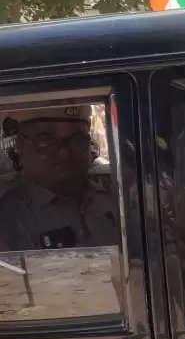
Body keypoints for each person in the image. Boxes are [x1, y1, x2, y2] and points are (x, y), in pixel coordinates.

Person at [0, 106, 116, 251]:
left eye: (78, 140)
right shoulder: (8, 216)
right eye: (45, 141)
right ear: (20, 146)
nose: (64, 153)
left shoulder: (118, 198)